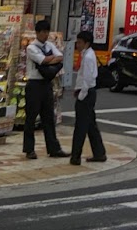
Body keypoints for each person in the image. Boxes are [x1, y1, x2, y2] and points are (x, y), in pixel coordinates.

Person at [24, 19, 67, 160]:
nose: (45, 34)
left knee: (49, 118)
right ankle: (29, 149)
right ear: (37, 32)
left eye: (47, 32)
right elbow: (42, 60)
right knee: (31, 118)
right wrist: (51, 59)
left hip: (47, 84)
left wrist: (49, 59)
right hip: (34, 85)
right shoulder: (31, 47)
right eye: (43, 32)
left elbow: (60, 57)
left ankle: (54, 148)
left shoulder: (49, 45)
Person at [69, 30, 107, 165]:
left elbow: (87, 79)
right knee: (90, 125)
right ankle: (99, 153)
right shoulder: (87, 55)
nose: (77, 45)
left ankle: (75, 156)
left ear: (86, 43)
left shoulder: (88, 57)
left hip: (86, 94)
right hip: (87, 92)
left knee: (80, 126)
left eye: (79, 42)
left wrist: (81, 95)